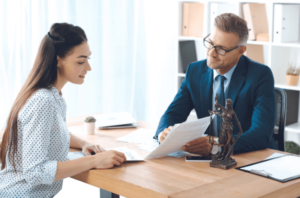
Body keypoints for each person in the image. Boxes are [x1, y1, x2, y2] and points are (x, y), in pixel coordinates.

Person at [0, 23, 126, 197]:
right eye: (81, 61)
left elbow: (53, 131)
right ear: (58, 59)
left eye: (88, 59)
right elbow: (36, 171)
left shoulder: (54, 96)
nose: (88, 68)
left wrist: (84, 144)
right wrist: (94, 161)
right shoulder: (43, 101)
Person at [154, 13, 278, 156]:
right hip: (208, 159)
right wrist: (163, 134)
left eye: (221, 49)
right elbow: (173, 114)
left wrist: (218, 146)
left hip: (250, 156)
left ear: (241, 50)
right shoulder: (194, 71)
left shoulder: (260, 75)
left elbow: (261, 133)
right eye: (210, 43)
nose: (211, 53)